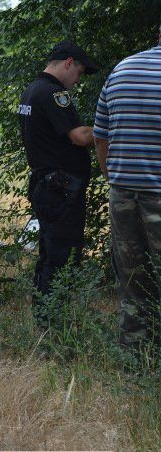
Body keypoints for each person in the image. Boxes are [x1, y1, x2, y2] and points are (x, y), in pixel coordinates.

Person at [17, 40, 99, 327]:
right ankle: (54, 324)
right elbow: (78, 136)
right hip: (61, 190)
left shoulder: (31, 90)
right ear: (68, 63)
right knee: (62, 258)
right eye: (79, 71)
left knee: (49, 255)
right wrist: (106, 127)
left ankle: (44, 319)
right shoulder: (53, 93)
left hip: (47, 186)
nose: (78, 79)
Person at [94, 26, 161, 353]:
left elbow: (101, 135)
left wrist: (113, 179)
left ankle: (134, 354)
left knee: (132, 282)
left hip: (122, 193)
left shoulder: (122, 69)